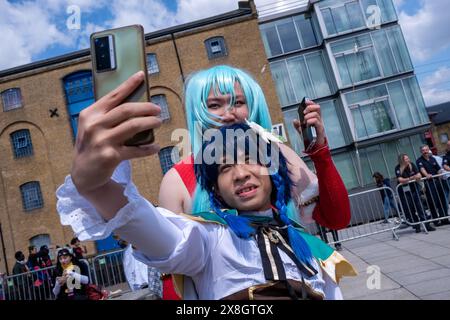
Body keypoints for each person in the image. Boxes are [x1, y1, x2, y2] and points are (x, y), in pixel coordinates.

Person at [57, 120, 357, 300]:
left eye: (249, 159)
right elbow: (144, 225)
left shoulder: (307, 244)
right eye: (225, 167)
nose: (240, 174)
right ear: (215, 188)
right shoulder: (208, 238)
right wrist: (94, 184)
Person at [395, 154, 436, 233]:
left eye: (408, 158)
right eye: (406, 159)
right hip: (405, 192)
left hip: (414, 189)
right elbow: (400, 179)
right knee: (411, 209)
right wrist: (410, 178)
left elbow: (419, 175)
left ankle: (427, 225)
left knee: (420, 207)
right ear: (402, 160)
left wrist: (414, 177)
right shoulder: (398, 168)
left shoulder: (412, 165)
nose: (408, 159)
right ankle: (417, 226)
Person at [416, 145, 450, 226]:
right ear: (421, 151)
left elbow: (438, 169)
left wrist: (441, 173)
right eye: (423, 150)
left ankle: (444, 218)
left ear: (429, 150)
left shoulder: (432, 158)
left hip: (438, 182)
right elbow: (422, 169)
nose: (425, 151)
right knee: (433, 202)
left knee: (442, 200)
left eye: (426, 150)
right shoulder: (419, 160)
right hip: (429, 183)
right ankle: (436, 220)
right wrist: (427, 174)